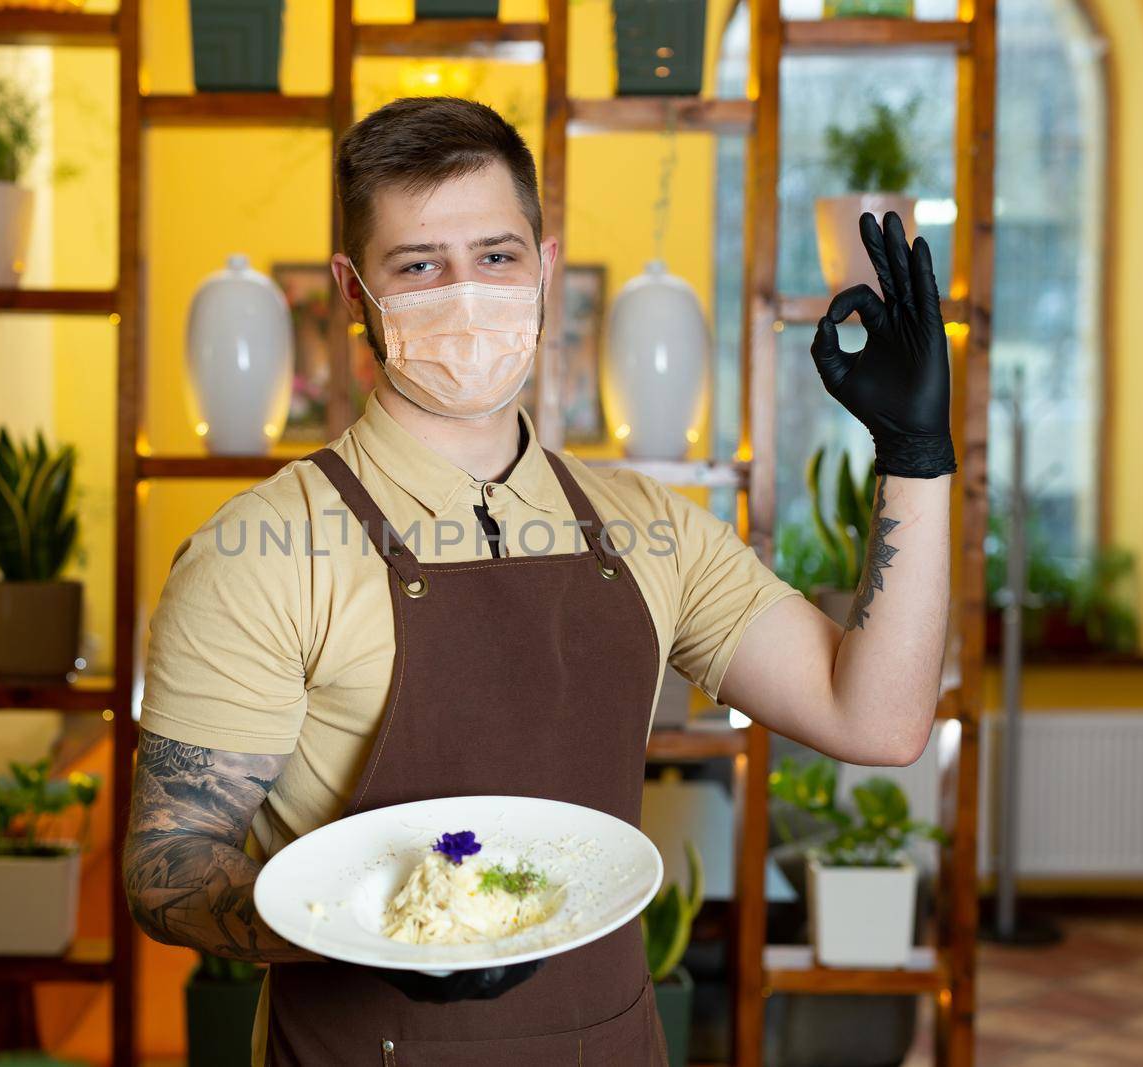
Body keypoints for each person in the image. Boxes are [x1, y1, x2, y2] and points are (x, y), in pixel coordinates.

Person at [123, 96, 955, 1065]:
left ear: (545, 269)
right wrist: (372, 937)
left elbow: (881, 719)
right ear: (356, 291)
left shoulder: (652, 529)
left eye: (496, 255)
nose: (466, 293)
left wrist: (915, 453)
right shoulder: (256, 552)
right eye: (420, 265)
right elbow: (165, 863)